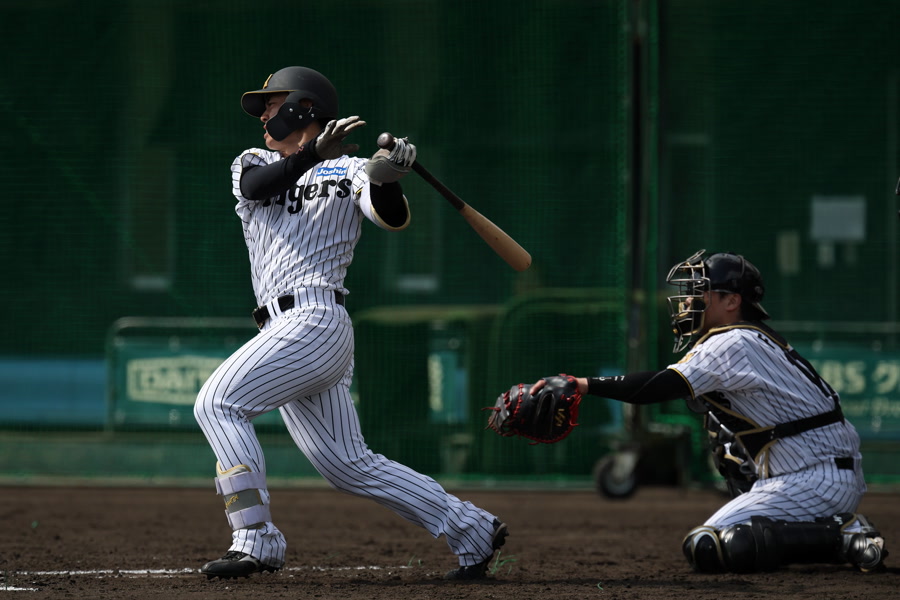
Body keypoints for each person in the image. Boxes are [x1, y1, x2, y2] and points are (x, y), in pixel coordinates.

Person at [193, 66, 507, 581]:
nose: (263, 117)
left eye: (271, 106)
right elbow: (257, 188)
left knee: (217, 403)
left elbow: (391, 216)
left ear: (302, 107)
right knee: (347, 464)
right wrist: (313, 154)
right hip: (284, 329)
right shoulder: (254, 162)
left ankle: (255, 538)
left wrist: (386, 176)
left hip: (314, 319)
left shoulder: (353, 170)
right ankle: (471, 528)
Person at [531, 249, 887, 573]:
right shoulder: (746, 338)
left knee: (709, 544)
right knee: (720, 444)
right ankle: (833, 532)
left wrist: (582, 385)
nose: (688, 300)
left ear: (732, 300)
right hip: (811, 473)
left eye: (700, 290)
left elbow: (660, 386)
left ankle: (843, 536)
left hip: (815, 478)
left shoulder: (733, 341)